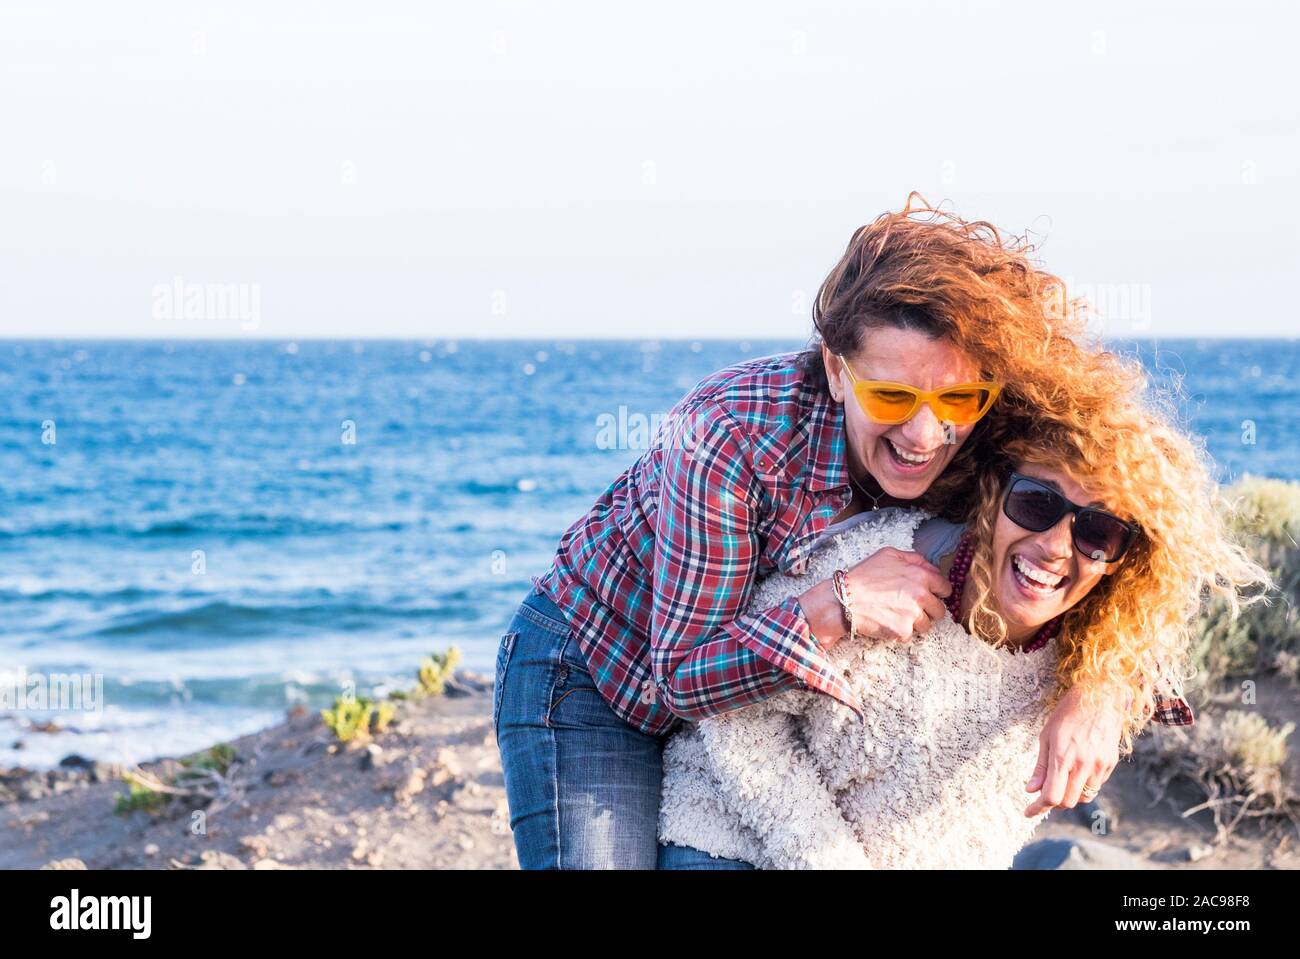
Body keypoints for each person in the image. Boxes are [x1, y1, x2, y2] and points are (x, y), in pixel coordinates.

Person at [493, 195, 1193, 869]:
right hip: (595, 674)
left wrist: (1105, 686)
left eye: (956, 398)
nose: (925, 434)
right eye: (890, 396)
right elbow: (679, 675)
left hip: (733, 727)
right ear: (835, 368)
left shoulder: (985, 436)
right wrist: (835, 604)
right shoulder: (728, 437)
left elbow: (1135, 553)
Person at [656, 395, 1269, 868]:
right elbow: (735, 723)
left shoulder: (1098, 648)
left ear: (1123, 561)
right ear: (994, 493)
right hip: (728, 841)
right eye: (1036, 502)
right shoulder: (881, 572)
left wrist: (1105, 686)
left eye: (1098, 531)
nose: (1055, 547)